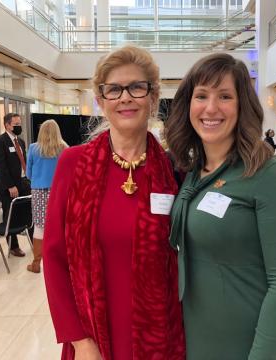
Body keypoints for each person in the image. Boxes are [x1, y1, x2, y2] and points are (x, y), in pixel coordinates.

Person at [43, 46, 185, 360]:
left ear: (152, 97)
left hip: (160, 338)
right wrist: (79, 341)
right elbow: (54, 258)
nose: (125, 98)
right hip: (91, 339)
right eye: (114, 89)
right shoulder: (73, 164)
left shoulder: (174, 171)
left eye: (137, 87)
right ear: (101, 100)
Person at [165, 53, 276, 359]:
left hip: (261, 345)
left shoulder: (267, 176)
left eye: (225, 96)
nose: (211, 108)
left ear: (243, 105)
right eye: (201, 95)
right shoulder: (193, 171)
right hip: (205, 338)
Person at [25, 119, 67, 273]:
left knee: (39, 226)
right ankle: (59, 262)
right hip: (58, 191)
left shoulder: (33, 148)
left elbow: (28, 174)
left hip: (38, 191)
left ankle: (36, 263)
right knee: (59, 224)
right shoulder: (64, 149)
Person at [0, 113, 31, 257]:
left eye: (20, 124)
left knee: (28, 212)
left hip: (23, 183)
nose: (19, 127)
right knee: (10, 215)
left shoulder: (20, 142)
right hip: (8, 187)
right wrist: (10, 186)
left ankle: (35, 242)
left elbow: (23, 162)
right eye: (16, 124)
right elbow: (0, 167)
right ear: (7, 125)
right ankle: (13, 246)